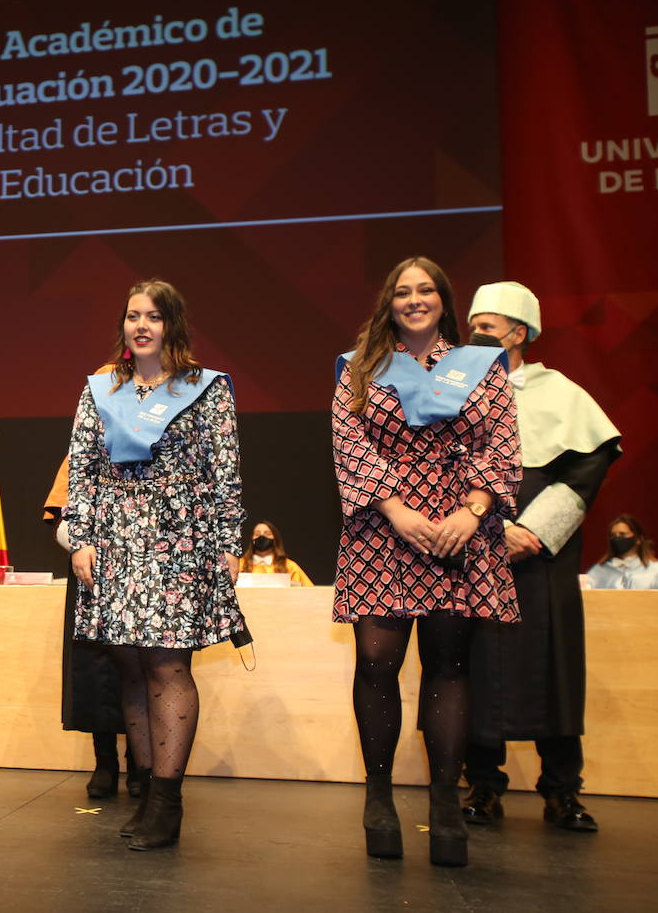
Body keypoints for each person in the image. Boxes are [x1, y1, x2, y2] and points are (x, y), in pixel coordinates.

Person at [332, 257, 521, 867]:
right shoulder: (360, 369)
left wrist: (472, 510)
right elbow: (349, 441)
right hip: (383, 528)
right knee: (376, 663)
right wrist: (395, 508)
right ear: (389, 302)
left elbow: (500, 439)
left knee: (447, 665)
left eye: (427, 291)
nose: (415, 300)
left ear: (445, 300)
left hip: (456, 529)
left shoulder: (481, 366)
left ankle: (443, 804)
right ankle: (379, 799)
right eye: (404, 292)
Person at [64, 279, 247, 851]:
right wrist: (81, 540)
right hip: (116, 542)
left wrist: (228, 542)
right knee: (131, 669)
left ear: (173, 325)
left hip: (180, 542)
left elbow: (225, 468)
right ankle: (145, 791)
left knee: (167, 668)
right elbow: (84, 470)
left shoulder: (206, 389)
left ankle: (168, 802)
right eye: (132, 316)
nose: (141, 325)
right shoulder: (100, 390)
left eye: (154, 316)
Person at [461, 282, 624, 833]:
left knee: (552, 666)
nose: (477, 335)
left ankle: (561, 791)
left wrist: (533, 529)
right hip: (475, 550)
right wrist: (490, 529)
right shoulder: (453, 393)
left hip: (541, 557)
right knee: (475, 671)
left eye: (489, 326)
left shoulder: (562, 394)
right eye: (474, 325)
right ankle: (483, 785)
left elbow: (587, 467)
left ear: (520, 333)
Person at [42, 364, 144, 801]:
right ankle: (104, 761)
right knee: (97, 671)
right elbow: (60, 521)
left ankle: (142, 763)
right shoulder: (80, 452)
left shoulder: (151, 443)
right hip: (92, 574)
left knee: (143, 667)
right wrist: (87, 543)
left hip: (144, 574)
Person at [586, 515, 658, 590]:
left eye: (622, 534)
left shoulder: (654, 570)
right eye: (613, 535)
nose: (617, 539)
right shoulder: (599, 570)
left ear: (638, 539)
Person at [238, 520, 313, 585]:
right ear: (252, 539)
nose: (262, 536)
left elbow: (309, 592)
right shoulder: (239, 565)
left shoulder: (289, 566)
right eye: (257, 534)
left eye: (267, 534)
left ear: (275, 539)